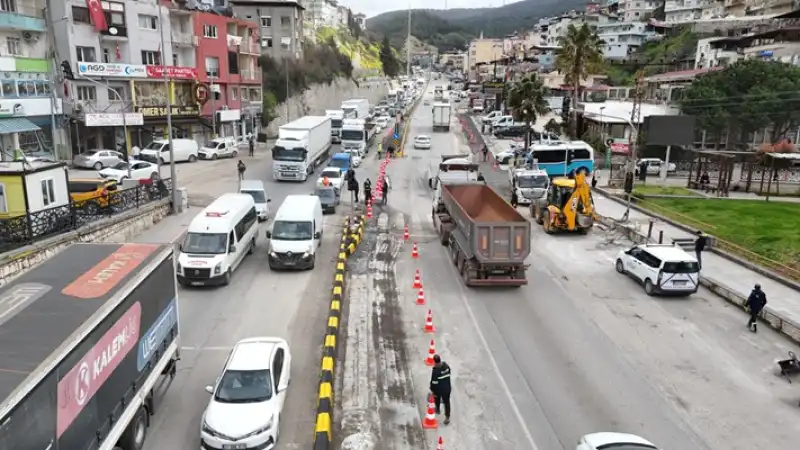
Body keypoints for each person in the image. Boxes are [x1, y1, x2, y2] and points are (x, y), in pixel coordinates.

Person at [429, 354, 452, 425]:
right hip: (447, 389)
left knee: (437, 397)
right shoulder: (446, 367)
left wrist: (432, 389)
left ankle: (438, 409)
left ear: (434, 362)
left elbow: (434, 383)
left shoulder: (435, 372)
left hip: (439, 390)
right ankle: (447, 417)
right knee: (447, 403)